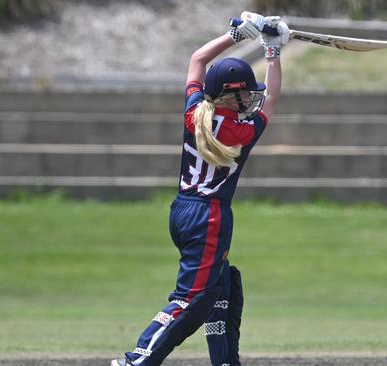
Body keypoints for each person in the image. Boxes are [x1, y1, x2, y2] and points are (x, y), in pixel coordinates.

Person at [111, 11, 289, 366]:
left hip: (182, 210)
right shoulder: (241, 132)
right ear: (233, 96)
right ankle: (138, 359)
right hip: (209, 216)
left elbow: (198, 59)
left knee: (221, 286)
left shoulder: (195, 111)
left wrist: (237, 36)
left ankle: (224, 360)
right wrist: (273, 53)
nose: (251, 100)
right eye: (245, 95)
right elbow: (272, 99)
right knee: (192, 299)